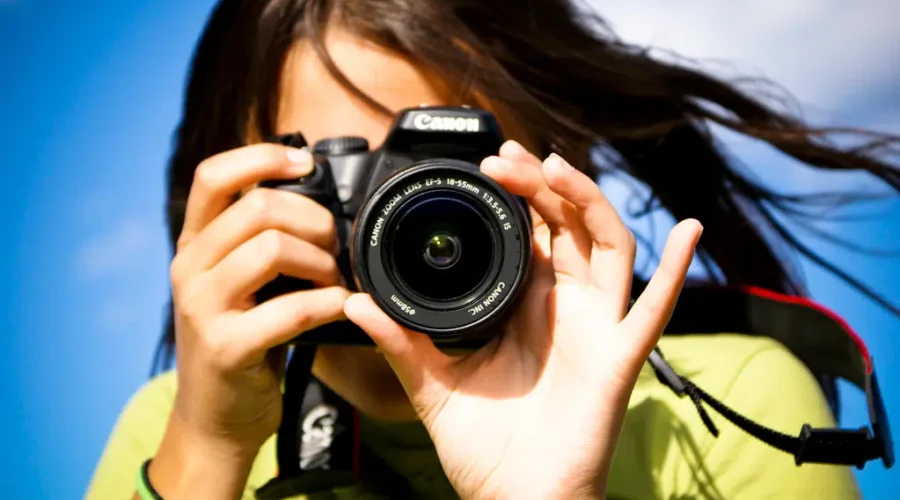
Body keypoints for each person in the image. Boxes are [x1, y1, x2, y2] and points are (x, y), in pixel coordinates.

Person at [87, 0, 898, 498]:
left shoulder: (728, 411)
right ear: (236, 195)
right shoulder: (183, 432)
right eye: (352, 178)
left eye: (454, 176)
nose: (405, 224)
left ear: (555, 174)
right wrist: (205, 457)